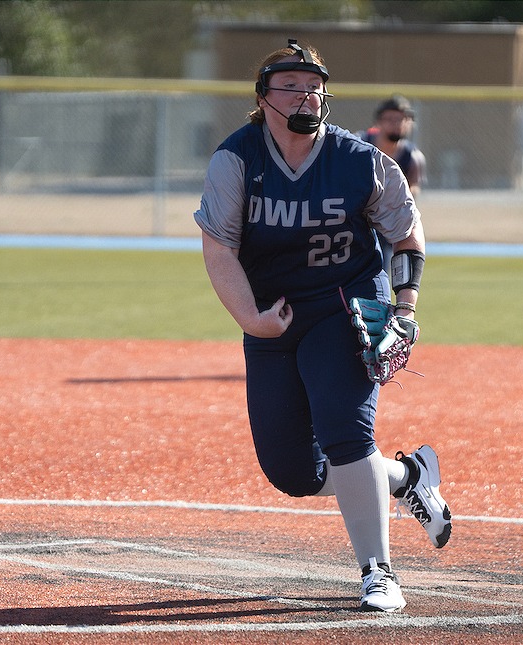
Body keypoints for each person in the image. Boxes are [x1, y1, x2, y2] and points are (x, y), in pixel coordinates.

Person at [193, 39, 451, 613]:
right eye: (291, 85)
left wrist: (404, 310)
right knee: (294, 472)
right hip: (274, 317)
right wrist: (251, 319)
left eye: (314, 86)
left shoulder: (359, 159)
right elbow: (219, 248)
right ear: (264, 99)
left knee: (344, 429)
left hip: (350, 306)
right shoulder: (236, 160)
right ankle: (406, 475)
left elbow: (408, 236)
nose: (306, 94)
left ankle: (378, 572)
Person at [359, 95, 427, 197]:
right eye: (390, 119)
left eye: (401, 119)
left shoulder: (413, 156)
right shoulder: (361, 146)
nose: (396, 124)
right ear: (378, 122)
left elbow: (414, 187)